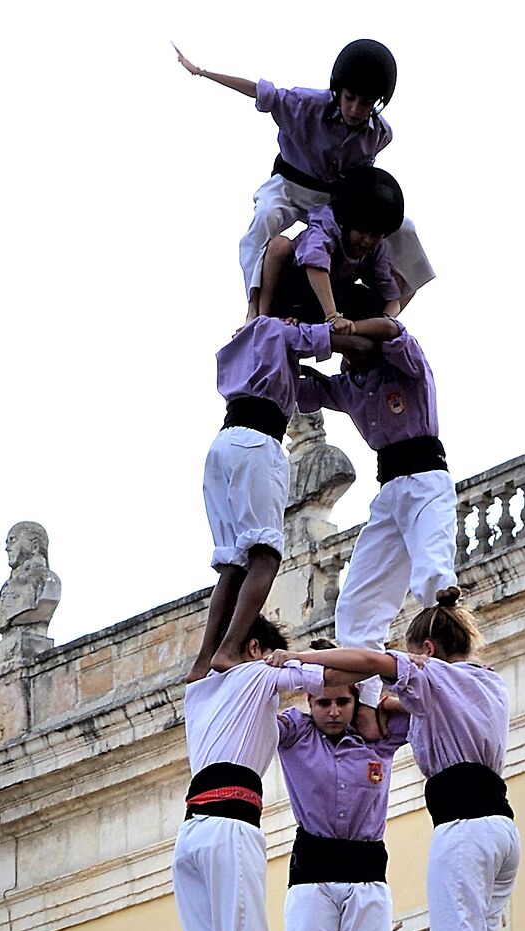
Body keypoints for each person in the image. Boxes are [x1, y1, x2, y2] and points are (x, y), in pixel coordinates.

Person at [290, 608, 516, 931]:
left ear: (427, 651)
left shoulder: (432, 675)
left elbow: (371, 661)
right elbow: (406, 711)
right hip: (502, 827)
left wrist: (301, 658)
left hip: (463, 825)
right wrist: (389, 707)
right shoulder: (490, 683)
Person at [172, 40, 433, 310]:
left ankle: (389, 313)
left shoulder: (379, 135)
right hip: (290, 185)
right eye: (349, 98)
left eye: (365, 103)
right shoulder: (304, 104)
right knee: (265, 217)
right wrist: (202, 72)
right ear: (338, 91)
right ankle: (254, 307)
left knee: (404, 228)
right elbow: (258, 91)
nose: (355, 109)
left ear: (377, 104)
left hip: (334, 198)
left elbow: (363, 183)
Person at [177, 630, 325, 931]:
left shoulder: (199, 693)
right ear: (257, 648)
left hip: (190, 831)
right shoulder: (255, 674)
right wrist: (291, 657)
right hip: (231, 822)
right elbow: (322, 678)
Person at [297, 323, 457, 707]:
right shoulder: (348, 384)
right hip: (388, 491)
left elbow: (394, 330)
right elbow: (302, 387)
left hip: (425, 477)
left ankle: (454, 669)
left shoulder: (404, 365)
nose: (347, 353)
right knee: (356, 606)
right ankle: (367, 705)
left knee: (434, 575)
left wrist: (346, 325)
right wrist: (294, 336)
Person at [274, 664, 407, 931]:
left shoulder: (378, 737)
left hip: (366, 872)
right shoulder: (297, 734)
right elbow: (261, 717)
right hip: (312, 874)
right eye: (324, 702)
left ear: (355, 701)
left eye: (343, 702)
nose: (333, 711)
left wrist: (373, 703)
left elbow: (421, 706)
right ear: (309, 701)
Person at [196, 323, 336, 690]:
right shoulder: (279, 329)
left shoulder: (245, 335)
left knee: (232, 563)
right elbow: (336, 335)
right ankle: (227, 649)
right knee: (266, 556)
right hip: (257, 444)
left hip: (223, 445)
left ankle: (204, 658)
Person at [260, 169, 406, 327]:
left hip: (333, 292)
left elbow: (390, 296)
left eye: (376, 235)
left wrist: (385, 320)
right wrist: (333, 316)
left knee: (367, 299)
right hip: (296, 286)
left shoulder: (376, 248)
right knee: (280, 246)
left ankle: (344, 328)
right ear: (348, 223)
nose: (367, 241)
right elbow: (315, 263)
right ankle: (263, 317)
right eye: (363, 231)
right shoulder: (326, 226)